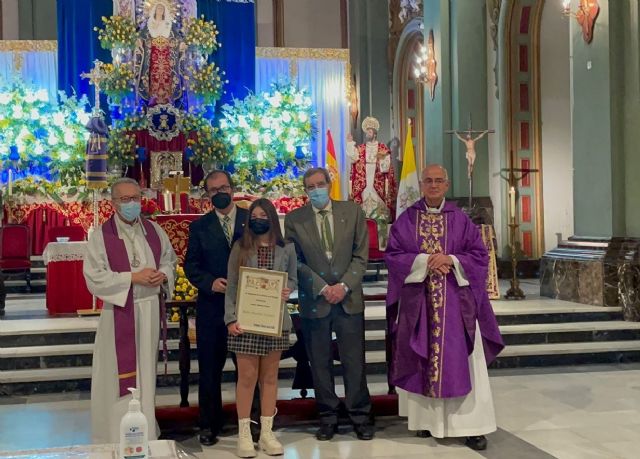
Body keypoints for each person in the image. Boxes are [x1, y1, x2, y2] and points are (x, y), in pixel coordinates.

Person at [384, 164, 504, 451]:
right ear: (422, 185)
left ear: (447, 185)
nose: (434, 185)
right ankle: (427, 422)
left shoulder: (460, 220)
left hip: (457, 305)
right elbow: (394, 255)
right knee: (422, 358)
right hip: (420, 305)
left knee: (464, 362)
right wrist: (425, 261)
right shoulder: (407, 220)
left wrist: (451, 260)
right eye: (429, 181)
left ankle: (472, 426)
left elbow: (479, 255)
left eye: (439, 181)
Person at [83, 177, 177, 443]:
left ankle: (145, 429)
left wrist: (163, 275)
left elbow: (169, 259)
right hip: (120, 313)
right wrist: (132, 278)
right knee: (117, 376)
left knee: (146, 374)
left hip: (148, 311)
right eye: (125, 199)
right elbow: (94, 277)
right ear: (113, 203)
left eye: (136, 197)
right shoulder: (102, 236)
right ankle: (115, 433)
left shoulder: (154, 231)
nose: (132, 203)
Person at [284, 167, 374, 441]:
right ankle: (328, 416)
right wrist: (322, 287)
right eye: (310, 187)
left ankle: (360, 415)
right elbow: (294, 261)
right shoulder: (294, 219)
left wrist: (344, 285)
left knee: (354, 362)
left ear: (330, 184)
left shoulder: (353, 211)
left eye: (320, 184)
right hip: (315, 301)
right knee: (319, 363)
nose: (316, 190)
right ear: (305, 190)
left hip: (348, 299)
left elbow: (361, 255)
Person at [225, 198, 298, 458]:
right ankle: (244, 433)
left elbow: (292, 280)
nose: (258, 219)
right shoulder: (240, 247)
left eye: (262, 215)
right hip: (246, 322)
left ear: (271, 218)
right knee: (246, 378)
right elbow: (232, 285)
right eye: (254, 215)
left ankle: (267, 432)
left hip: (274, 320)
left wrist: (288, 290)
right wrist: (230, 319)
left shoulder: (286, 247)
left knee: (269, 378)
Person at [184, 170, 249, 446]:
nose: (219, 193)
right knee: (210, 370)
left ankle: (252, 422)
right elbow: (191, 266)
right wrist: (211, 282)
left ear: (232, 189)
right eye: (213, 190)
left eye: (224, 187)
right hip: (212, 308)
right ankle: (209, 425)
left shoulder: (252, 220)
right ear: (207, 195)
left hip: (247, 307)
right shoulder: (199, 227)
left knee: (248, 369)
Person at [346, 116, 397, 248]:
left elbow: (386, 168)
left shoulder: (382, 148)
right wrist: (350, 143)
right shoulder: (361, 148)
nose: (368, 133)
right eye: (366, 131)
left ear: (375, 132)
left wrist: (382, 160)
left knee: (379, 212)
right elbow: (353, 158)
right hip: (364, 181)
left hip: (377, 181)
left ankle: (381, 244)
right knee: (364, 211)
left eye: (370, 131)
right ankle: (363, 244)